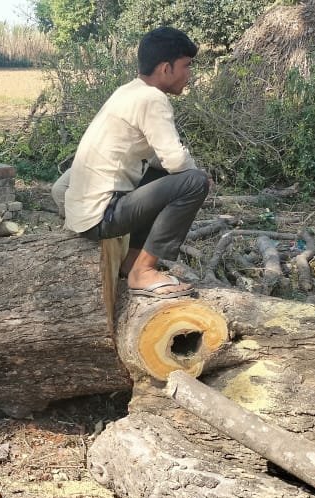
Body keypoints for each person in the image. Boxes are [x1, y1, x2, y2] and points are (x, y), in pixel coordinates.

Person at [62, 26, 210, 299]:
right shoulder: (152, 98)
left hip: (87, 213)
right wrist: (199, 177)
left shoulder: (128, 91)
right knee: (195, 182)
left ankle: (131, 261)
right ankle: (143, 271)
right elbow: (176, 160)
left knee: (162, 170)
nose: (189, 75)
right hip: (102, 216)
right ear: (166, 68)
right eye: (186, 66)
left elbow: (161, 160)